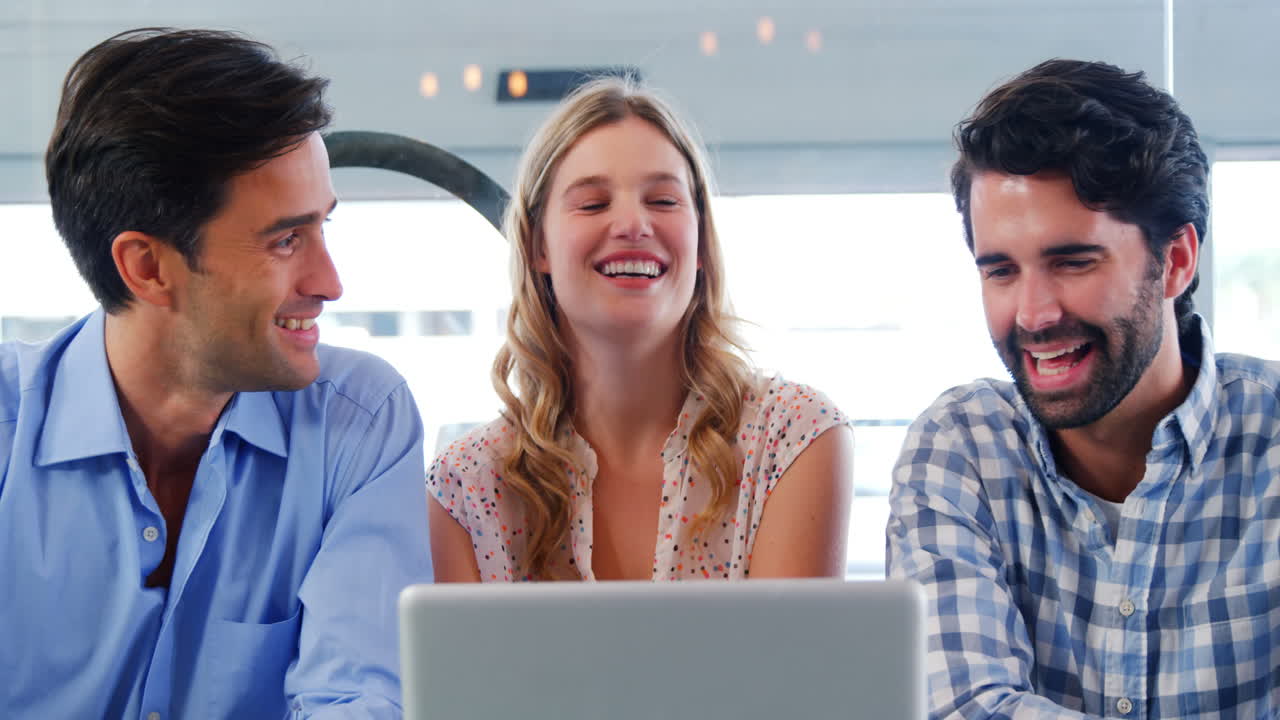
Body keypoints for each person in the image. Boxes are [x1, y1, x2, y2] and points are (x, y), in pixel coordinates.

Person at [0, 28, 431, 717]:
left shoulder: (360, 422)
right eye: (287, 239)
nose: (330, 281)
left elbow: (357, 696)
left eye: (324, 227)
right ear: (147, 267)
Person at [886, 59, 1280, 719]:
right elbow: (967, 708)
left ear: (1177, 261)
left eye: (1072, 262)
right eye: (1002, 270)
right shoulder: (961, 450)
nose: (1034, 314)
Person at [427, 78, 853, 582]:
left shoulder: (793, 439)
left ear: (700, 245)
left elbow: (790, 662)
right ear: (539, 247)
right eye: (592, 204)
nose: (632, 223)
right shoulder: (465, 488)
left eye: (664, 201)